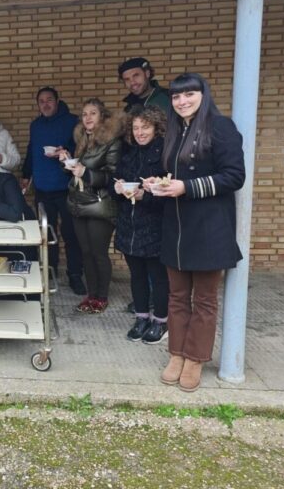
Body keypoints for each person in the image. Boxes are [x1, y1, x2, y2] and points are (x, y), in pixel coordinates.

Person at [149, 73, 245, 393]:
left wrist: (186, 187)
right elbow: (172, 176)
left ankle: (195, 358)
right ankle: (176, 354)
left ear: (204, 95)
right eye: (176, 96)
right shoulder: (175, 131)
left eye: (189, 94)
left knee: (204, 300)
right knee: (177, 297)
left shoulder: (221, 127)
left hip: (209, 228)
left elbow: (234, 176)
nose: (182, 101)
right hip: (176, 228)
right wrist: (157, 183)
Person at [21, 86, 85, 295]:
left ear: (57, 101)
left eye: (49, 100)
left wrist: (65, 152)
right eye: (41, 101)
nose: (45, 104)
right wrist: (26, 175)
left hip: (66, 187)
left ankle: (75, 275)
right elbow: (31, 151)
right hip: (42, 187)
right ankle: (50, 271)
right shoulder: (36, 125)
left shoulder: (72, 121)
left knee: (71, 234)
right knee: (47, 233)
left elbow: (82, 149)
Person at [112, 108, 169, 343]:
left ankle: (161, 321)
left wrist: (146, 195)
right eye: (136, 128)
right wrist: (117, 188)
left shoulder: (166, 153)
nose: (140, 132)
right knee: (136, 276)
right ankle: (142, 317)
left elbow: (170, 194)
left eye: (145, 127)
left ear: (156, 127)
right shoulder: (129, 152)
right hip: (129, 226)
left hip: (155, 226)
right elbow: (116, 182)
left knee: (158, 277)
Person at [62, 98, 124, 314]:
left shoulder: (112, 142)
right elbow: (77, 171)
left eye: (93, 113)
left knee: (98, 253)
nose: (87, 117)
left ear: (102, 117)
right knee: (86, 253)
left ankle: (102, 297)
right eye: (84, 114)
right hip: (79, 204)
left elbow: (114, 177)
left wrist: (86, 173)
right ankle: (91, 295)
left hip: (100, 205)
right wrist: (67, 162)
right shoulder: (82, 140)